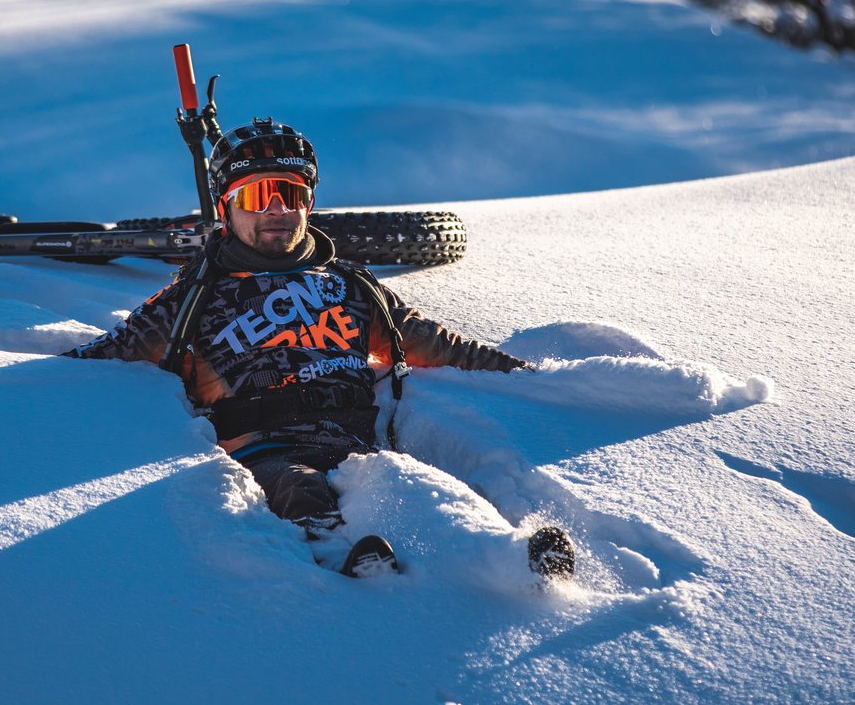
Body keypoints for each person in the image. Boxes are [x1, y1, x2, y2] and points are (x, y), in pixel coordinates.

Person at [65, 118, 573, 579]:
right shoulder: (192, 297)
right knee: (300, 488)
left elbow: (434, 344)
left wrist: (530, 376)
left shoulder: (353, 284)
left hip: (357, 446)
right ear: (226, 206)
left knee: (417, 489)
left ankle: (507, 558)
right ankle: (344, 559)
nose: (276, 209)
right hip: (263, 450)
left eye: (291, 194)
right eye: (257, 194)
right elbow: (100, 363)